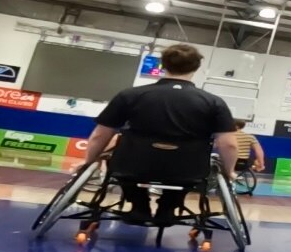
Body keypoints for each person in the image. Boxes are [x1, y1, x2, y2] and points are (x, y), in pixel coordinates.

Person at [81, 43, 238, 223]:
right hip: (187, 168)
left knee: (121, 164)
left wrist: (89, 162)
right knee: (187, 172)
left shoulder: (130, 95)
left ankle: (139, 207)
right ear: (196, 67)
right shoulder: (213, 102)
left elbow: (100, 136)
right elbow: (229, 144)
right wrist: (230, 171)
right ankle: (169, 207)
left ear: (163, 65)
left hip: (132, 164)